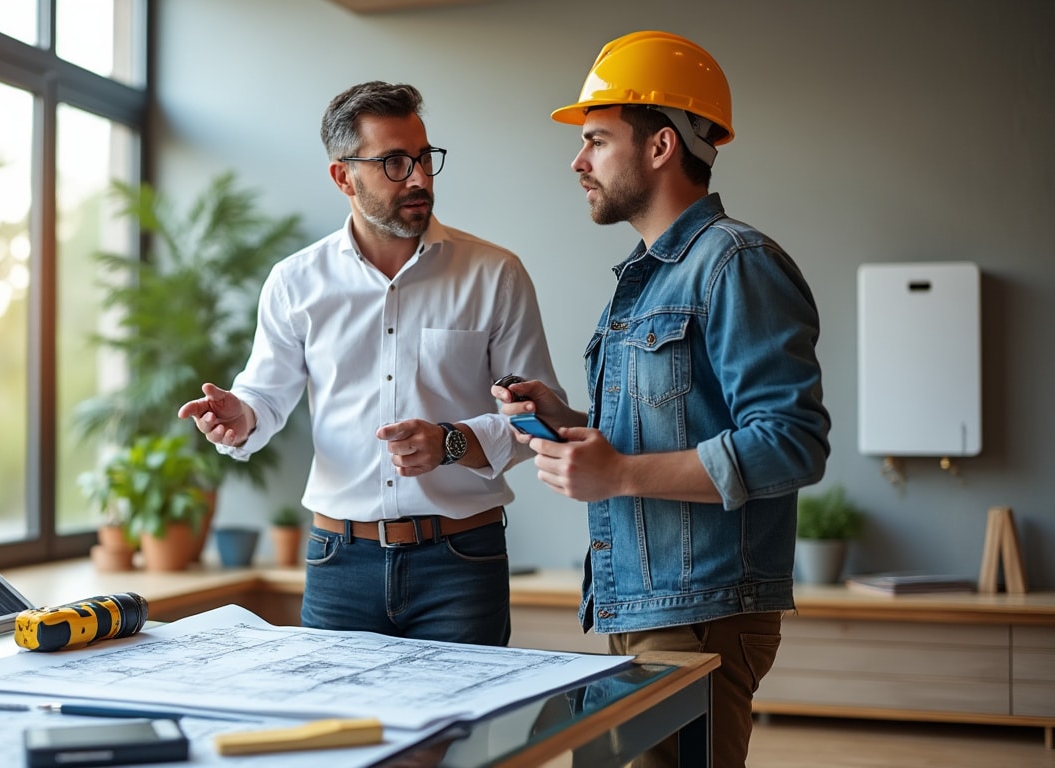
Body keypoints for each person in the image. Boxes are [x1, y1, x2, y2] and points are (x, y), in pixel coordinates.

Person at [494, 31, 831, 767]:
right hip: (645, 603)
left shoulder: (735, 263)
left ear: (660, 146)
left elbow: (791, 442)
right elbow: (672, 425)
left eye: (596, 141)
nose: (578, 161)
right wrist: (569, 423)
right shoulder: (648, 276)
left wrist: (617, 474)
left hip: (702, 612)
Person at [178, 80, 565, 646]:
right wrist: (243, 415)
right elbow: (264, 397)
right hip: (339, 563)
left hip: (461, 563)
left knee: (466, 710)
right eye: (394, 162)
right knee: (335, 709)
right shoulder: (295, 282)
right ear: (343, 177)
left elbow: (538, 418)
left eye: (424, 158)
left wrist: (451, 442)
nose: (419, 178)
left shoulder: (495, 274)